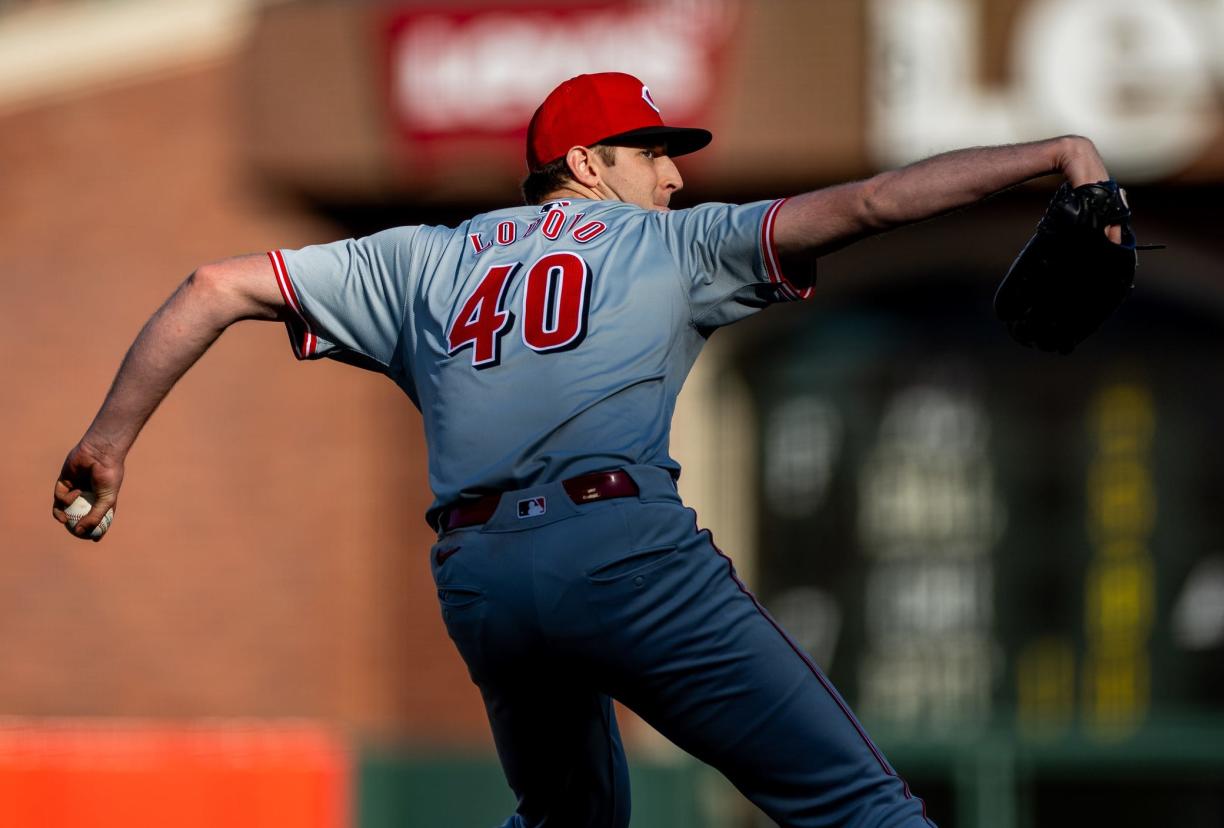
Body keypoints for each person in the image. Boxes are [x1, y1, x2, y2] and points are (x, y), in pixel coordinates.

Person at [53, 72, 1121, 827]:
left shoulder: (421, 259)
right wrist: (1057, 157)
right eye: (654, 153)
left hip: (479, 581)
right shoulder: (671, 243)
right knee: (860, 806)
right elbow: (881, 201)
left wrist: (109, 442)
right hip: (620, 554)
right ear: (586, 161)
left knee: (569, 821)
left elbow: (213, 287)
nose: (674, 178)